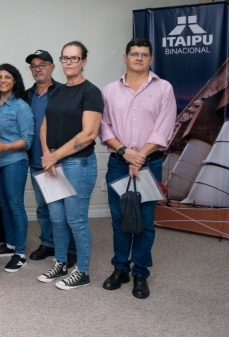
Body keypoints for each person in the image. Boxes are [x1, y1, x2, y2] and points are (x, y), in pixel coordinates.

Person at [99, 38, 175, 299]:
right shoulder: (109, 90)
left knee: (144, 221)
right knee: (120, 220)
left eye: (144, 54)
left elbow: (163, 128)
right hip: (118, 163)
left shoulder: (164, 88)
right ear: (125, 58)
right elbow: (103, 126)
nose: (139, 58)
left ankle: (141, 272)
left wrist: (139, 157)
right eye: (134, 54)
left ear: (151, 59)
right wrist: (125, 153)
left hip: (150, 164)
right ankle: (120, 268)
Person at [38, 41, 103, 290]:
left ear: (84, 61)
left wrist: (55, 156)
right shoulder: (57, 91)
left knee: (76, 220)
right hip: (53, 163)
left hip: (78, 164)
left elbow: (89, 134)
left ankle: (83, 271)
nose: (69, 62)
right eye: (65, 58)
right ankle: (61, 262)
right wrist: (47, 154)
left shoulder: (91, 92)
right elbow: (45, 125)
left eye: (74, 58)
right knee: (57, 219)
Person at [23, 50, 77, 268]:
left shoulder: (65, 92)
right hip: (36, 160)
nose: (38, 69)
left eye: (43, 64)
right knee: (43, 207)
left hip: (61, 159)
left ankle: (70, 248)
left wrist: (56, 155)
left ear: (53, 67)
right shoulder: (26, 96)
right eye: (34, 65)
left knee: (67, 208)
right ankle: (48, 243)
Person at [0, 63, 34, 273]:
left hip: (14, 160)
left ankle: (21, 253)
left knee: (15, 204)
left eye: (7, 77)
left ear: (15, 80)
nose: (3, 81)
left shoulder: (21, 107)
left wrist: (5, 146)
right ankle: (10, 244)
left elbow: (27, 140)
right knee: (2, 204)